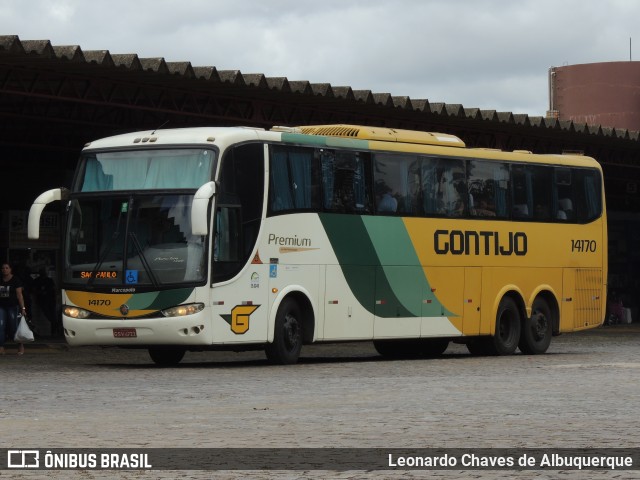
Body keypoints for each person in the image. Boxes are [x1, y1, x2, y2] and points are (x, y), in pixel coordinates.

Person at [0, 261, 27, 355]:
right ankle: (1, 347)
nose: (4, 270)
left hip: (12, 306)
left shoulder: (15, 280)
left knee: (13, 327)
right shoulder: (0, 279)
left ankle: (20, 345)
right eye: (3, 268)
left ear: (10, 269)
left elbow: (19, 295)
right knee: (1, 326)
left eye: (7, 268)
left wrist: (23, 308)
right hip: (1, 306)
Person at [33, 267, 59, 336]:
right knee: (49, 315)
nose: (43, 273)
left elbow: (54, 289)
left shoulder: (49, 280)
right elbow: (35, 291)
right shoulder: (37, 280)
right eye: (42, 271)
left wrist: (56, 298)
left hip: (50, 300)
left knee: (52, 315)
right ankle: (55, 326)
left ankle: (54, 328)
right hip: (43, 300)